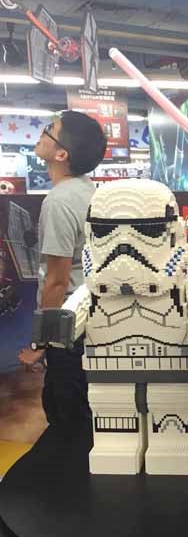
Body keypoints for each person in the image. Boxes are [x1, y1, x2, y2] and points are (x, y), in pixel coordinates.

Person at [18, 110, 107, 432]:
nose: (41, 134)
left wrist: (40, 344)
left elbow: (57, 281)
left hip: (68, 330)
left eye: (49, 130)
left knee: (65, 414)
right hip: (92, 320)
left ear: (61, 154)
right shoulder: (90, 191)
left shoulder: (58, 202)